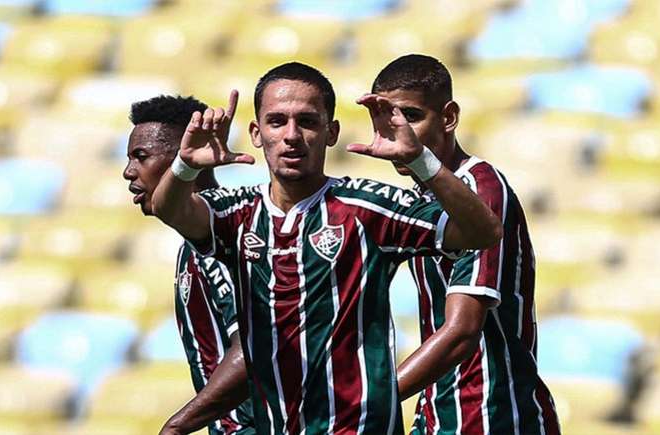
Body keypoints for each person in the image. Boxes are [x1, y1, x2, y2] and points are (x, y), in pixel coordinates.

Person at [151, 61, 503, 434]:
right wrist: (184, 167)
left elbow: (482, 232)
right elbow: (168, 209)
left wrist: (421, 160)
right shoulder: (237, 214)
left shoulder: (367, 208)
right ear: (256, 133)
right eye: (276, 122)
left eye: (307, 121)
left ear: (331, 132)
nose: (291, 135)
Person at [371, 54, 561, 435]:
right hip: (439, 417)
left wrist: (373, 401)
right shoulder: (419, 202)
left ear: (449, 116)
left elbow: (462, 331)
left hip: (494, 417)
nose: (398, 131)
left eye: (410, 116)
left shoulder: (481, 190)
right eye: (385, 121)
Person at [123, 94, 255, 435]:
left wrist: (178, 426)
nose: (128, 172)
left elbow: (254, 347)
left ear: (185, 156)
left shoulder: (224, 234)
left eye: (142, 156)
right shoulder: (193, 242)